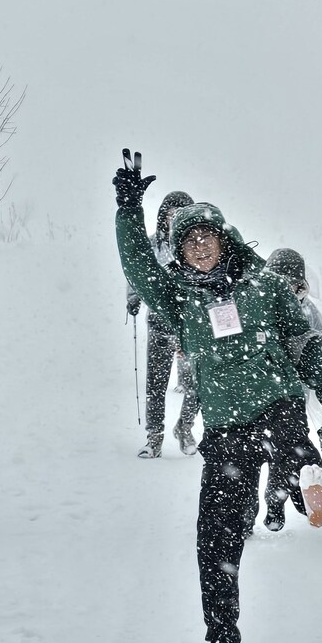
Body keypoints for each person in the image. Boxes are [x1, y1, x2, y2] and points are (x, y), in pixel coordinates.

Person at [113, 149, 322, 643]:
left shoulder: (267, 286)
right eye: (188, 241)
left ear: (224, 238)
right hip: (226, 428)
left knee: (296, 460)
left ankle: (311, 483)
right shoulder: (178, 298)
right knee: (216, 538)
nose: (199, 245)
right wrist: (127, 210)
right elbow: (138, 266)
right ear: (180, 253)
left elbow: (306, 348)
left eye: (206, 235)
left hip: (277, 406)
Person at [262, 246, 322, 531]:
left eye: (293, 282)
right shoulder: (258, 304)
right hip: (262, 392)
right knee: (265, 453)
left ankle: (276, 502)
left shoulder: (307, 310)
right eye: (281, 280)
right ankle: (260, 507)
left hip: (295, 393)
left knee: (284, 451)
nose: (288, 288)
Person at [124, 188, 201, 458]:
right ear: (162, 217)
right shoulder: (153, 243)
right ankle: (154, 436)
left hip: (191, 325)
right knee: (155, 384)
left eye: (180, 214)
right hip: (159, 323)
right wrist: (133, 297)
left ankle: (185, 427)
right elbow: (136, 272)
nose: (174, 219)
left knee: (196, 383)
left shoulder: (196, 244)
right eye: (170, 214)